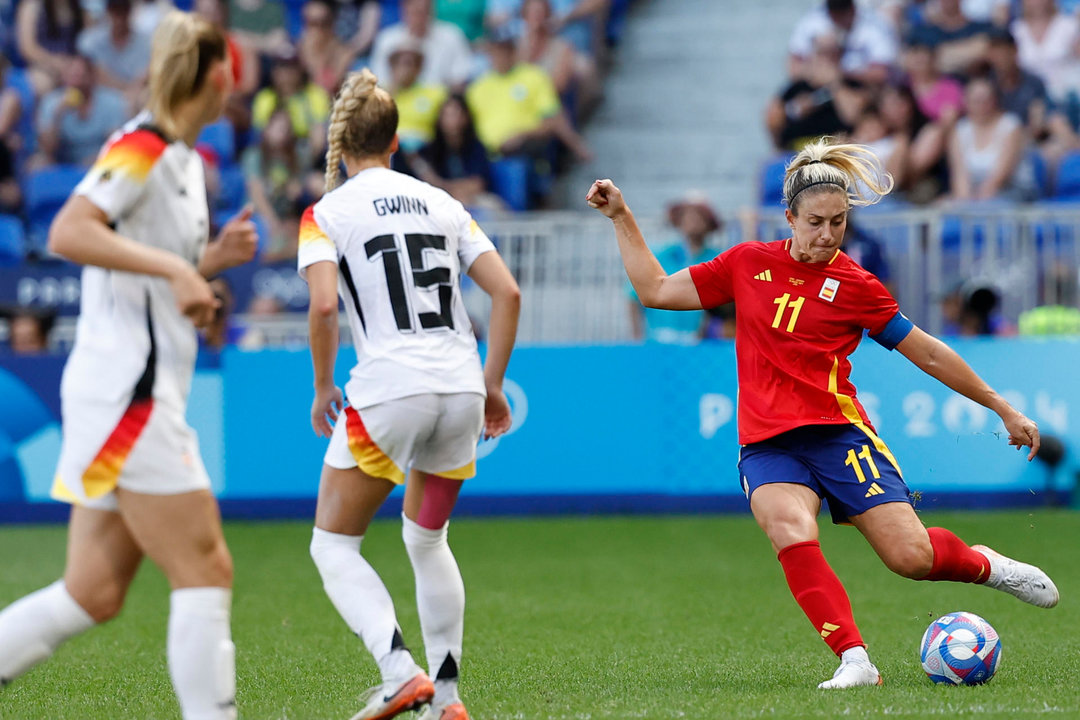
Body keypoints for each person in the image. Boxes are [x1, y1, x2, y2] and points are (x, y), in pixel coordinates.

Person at [586, 138, 1058, 690]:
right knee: (788, 527)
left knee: (911, 557)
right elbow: (656, 289)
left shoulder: (857, 286)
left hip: (840, 436)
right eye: (816, 222)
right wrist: (621, 216)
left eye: (838, 222)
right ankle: (855, 660)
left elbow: (926, 350)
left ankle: (988, 567)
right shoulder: (746, 264)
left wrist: (1000, 405)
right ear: (789, 217)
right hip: (769, 443)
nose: (828, 234)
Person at [0, 11, 258, 719]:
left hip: (126, 393)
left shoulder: (178, 160)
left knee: (92, 591)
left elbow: (145, 278)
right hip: (131, 398)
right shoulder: (142, 144)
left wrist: (203, 270)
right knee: (205, 566)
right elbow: (68, 229)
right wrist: (177, 275)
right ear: (216, 73)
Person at [298, 68, 520, 720]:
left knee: (332, 546)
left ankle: (400, 673)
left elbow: (321, 308)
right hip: (457, 386)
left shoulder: (326, 212)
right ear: (396, 142)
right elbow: (506, 293)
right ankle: (447, 698)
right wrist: (493, 384)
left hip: (390, 388)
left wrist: (320, 386)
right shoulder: (442, 202)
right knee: (428, 540)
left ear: (343, 145)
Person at [626, 192, 721, 344]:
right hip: (656, 342)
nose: (693, 219)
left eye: (699, 214)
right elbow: (633, 294)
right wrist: (637, 338)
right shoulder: (660, 255)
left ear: (709, 222)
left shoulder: (718, 259)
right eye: (687, 214)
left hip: (698, 345)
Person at [32, 54, 128, 168]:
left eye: (81, 77)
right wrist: (58, 114)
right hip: (62, 162)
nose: (77, 84)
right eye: (71, 77)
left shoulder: (112, 102)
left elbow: (115, 143)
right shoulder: (52, 102)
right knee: (38, 163)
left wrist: (97, 159)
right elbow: (48, 148)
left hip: (99, 160)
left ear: (92, 78)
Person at [948, 75, 1032, 201]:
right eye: (976, 101)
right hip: (975, 194)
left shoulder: (1011, 126)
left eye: (985, 100)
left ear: (995, 100)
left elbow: (1001, 176)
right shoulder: (960, 130)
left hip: (1011, 190)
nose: (981, 105)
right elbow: (960, 176)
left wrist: (976, 205)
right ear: (966, 102)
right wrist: (963, 202)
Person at [787, 0, 898, 86]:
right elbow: (793, 67)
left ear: (852, 9)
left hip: (862, 88)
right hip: (816, 83)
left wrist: (840, 75)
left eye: (842, 15)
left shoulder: (875, 25)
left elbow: (881, 74)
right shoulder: (813, 21)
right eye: (834, 15)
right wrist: (816, 72)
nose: (838, 20)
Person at [370, 0, 473, 91]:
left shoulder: (452, 36)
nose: (420, 17)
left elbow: (461, 78)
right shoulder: (386, 39)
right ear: (404, 9)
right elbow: (380, 83)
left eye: (424, 10)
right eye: (415, 11)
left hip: (441, 104)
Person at [413, 93, 495, 207]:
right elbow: (427, 183)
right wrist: (452, 190)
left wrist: (444, 186)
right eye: (447, 115)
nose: (451, 120)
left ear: (466, 117)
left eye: (455, 114)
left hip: (473, 199)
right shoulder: (430, 150)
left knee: (493, 206)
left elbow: (478, 184)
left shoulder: (476, 147)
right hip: (439, 201)